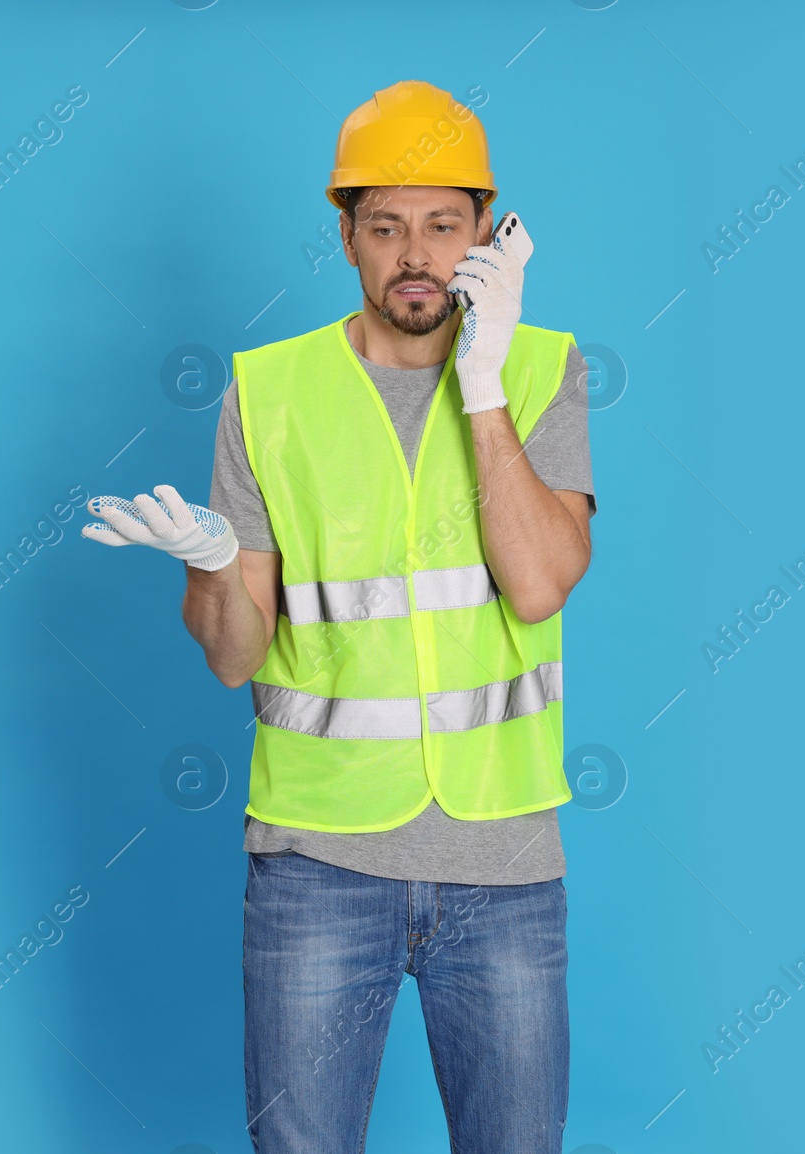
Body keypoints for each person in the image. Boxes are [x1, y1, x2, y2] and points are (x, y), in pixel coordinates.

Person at [82, 78, 596, 1153]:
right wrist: (214, 564)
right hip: (316, 864)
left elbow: (542, 580)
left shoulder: (545, 367)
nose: (416, 254)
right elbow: (235, 657)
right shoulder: (266, 395)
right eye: (386, 226)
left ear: (487, 235)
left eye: (442, 225)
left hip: (503, 864)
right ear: (347, 237)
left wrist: (486, 383)